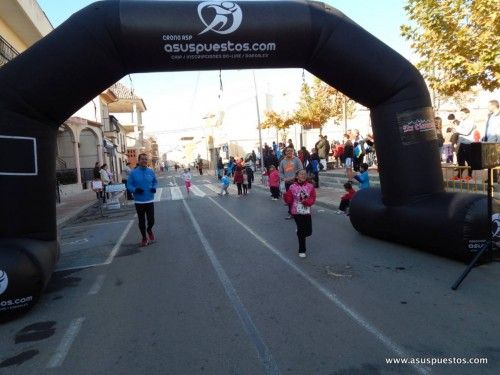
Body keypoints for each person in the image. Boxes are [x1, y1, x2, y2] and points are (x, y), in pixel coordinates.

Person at [283, 169, 316, 258]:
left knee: (308, 232)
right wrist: (285, 196)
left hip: (306, 210)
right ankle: (302, 250)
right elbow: (289, 200)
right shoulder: (292, 187)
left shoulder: (310, 186)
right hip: (296, 211)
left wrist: (307, 202)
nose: (303, 175)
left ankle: (299, 230)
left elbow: (313, 197)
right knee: (302, 232)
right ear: (297, 176)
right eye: (301, 174)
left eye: (305, 174)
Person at [127, 153, 158, 247]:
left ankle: (149, 229)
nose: (144, 161)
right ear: (139, 161)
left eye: (145, 159)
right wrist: (135, 190)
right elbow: (129, 185)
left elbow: (155, 181)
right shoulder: (133, 172)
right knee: (141, 221)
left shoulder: (150, 171)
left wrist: (154, 187)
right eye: (142, 159)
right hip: (139, 201)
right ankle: (144, 238)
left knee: (151, 220)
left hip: (149, 200)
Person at [279, 147, 303, 219]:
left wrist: (295, 177)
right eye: (287, 151)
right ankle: (291, 213)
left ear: (293, 152)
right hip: (287, 183)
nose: (289, 152)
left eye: (291, 151)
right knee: (290, 198)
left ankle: (300, 211)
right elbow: (281, 172)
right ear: (285, 152)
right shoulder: (283, 161)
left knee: (298, 197)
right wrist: (284, 179)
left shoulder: (297, 160)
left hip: (296, 182)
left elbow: (301, 170)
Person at [454, 108, 476, 179]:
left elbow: (466, 132)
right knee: (460, 160)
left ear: (467, 114)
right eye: (460, 114)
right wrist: (457, 144)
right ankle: (459, 176)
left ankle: (469, 175)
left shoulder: (470, 122)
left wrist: (456, 129)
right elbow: (460, 133)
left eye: (462, 114)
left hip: (468, 144)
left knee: (469, 161)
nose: (461, 116)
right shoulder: (462, 122)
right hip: (461, 143)